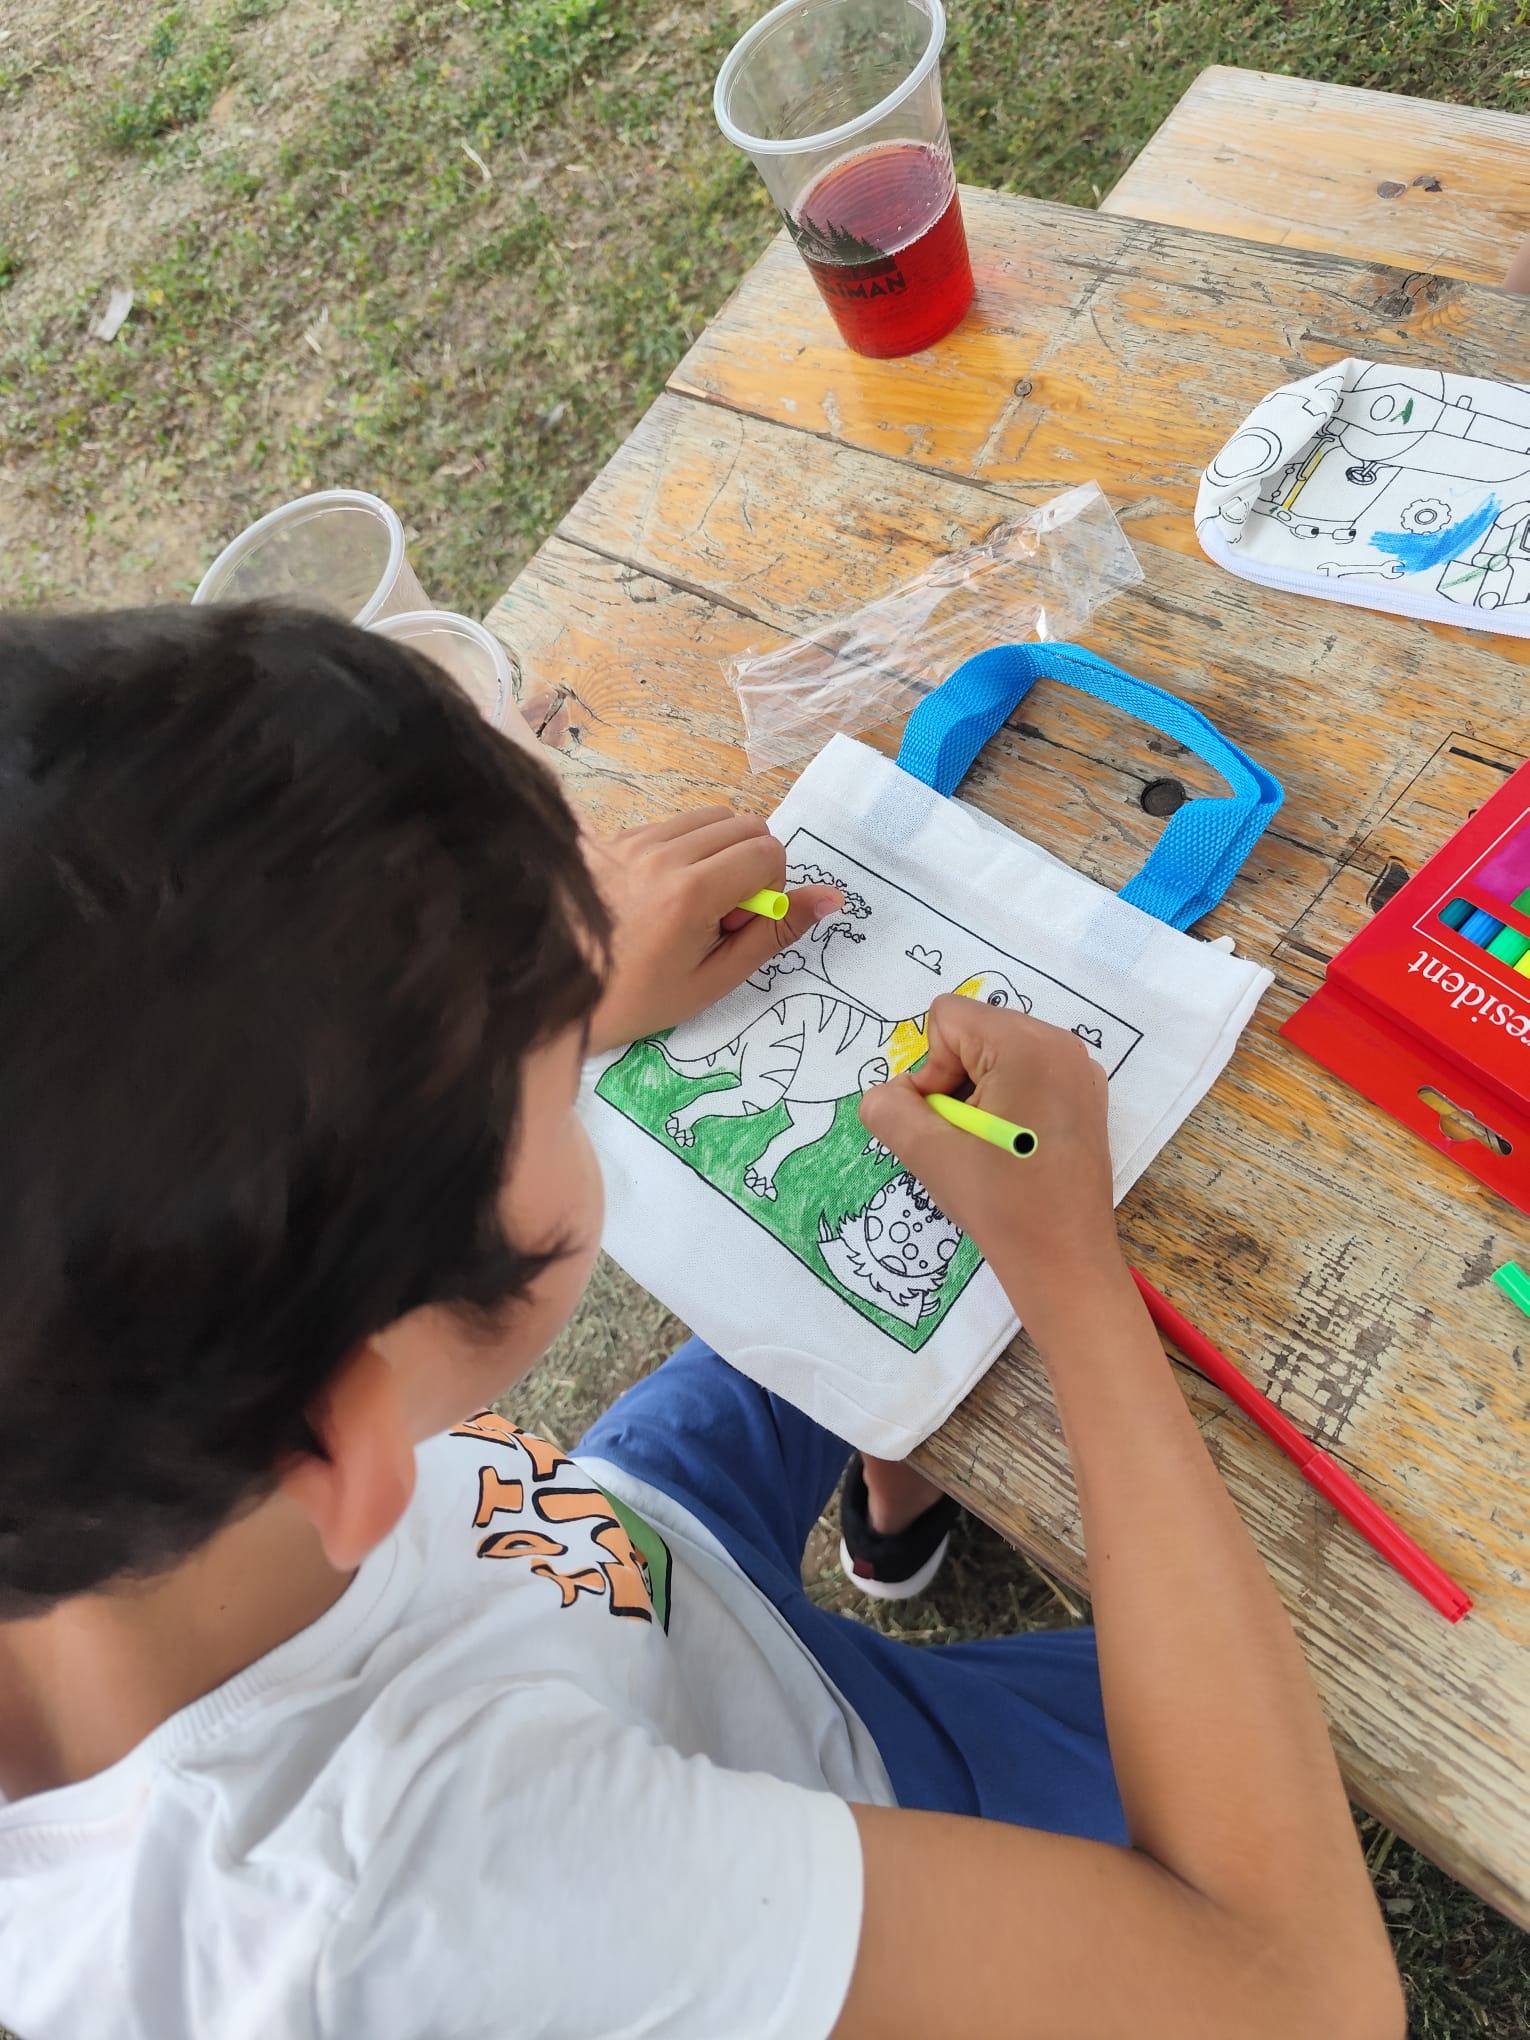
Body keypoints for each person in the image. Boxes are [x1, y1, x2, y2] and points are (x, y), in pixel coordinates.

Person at [0, 605, 1403, 2040]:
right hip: (824, 1788)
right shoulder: (438, 1899)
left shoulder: (113, 1415)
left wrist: (545, 1004)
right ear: (347, 1437)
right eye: (545, 1078)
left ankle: (892, 1521)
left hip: (595, 1561)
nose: (567, 1032)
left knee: (854, 1273)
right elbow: (1300, 1996)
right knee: (1290, 1692)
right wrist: (1070, 1279)